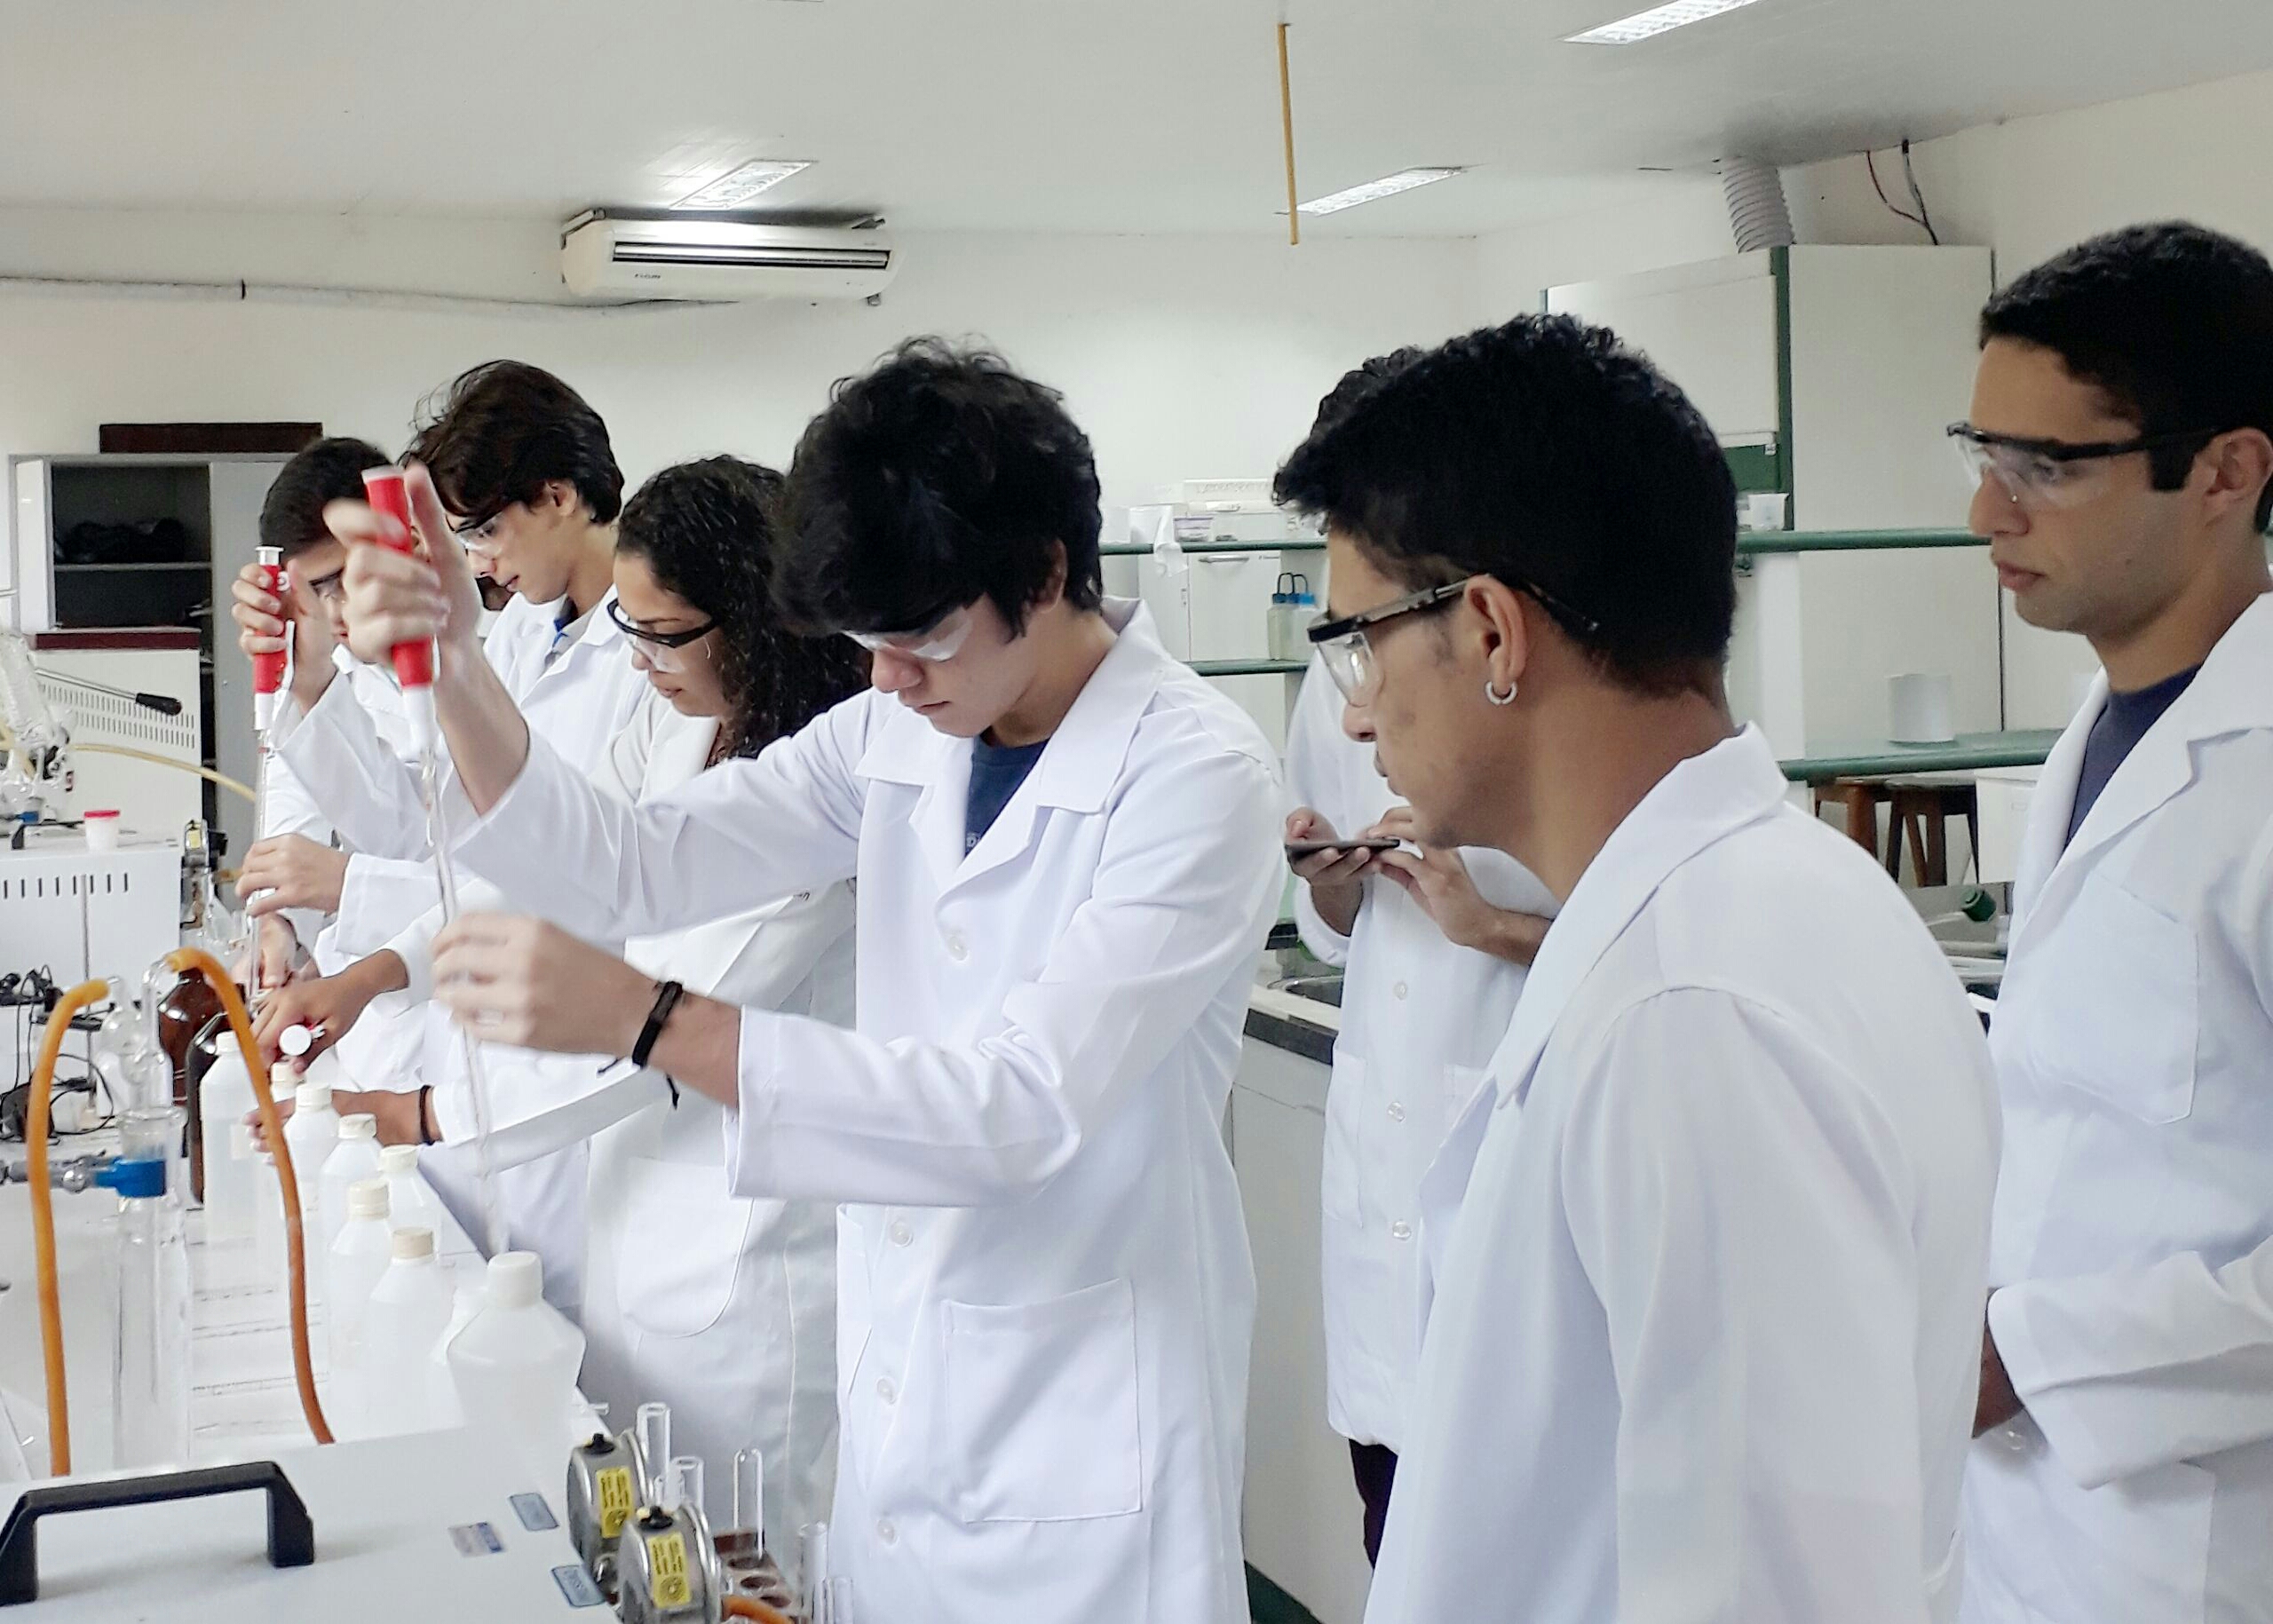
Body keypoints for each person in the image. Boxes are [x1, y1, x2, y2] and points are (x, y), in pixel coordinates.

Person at [330, 338, 1283, 1624]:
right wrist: (454, 662)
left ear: (1048, 573)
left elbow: (1016, 1110)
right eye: (865, 640)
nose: (886, 676)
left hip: (1082, 1439)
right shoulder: (902, 727)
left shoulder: (1195, 775)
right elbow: (634, 862)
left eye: (921, 635)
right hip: (904, 1403)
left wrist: (649, 1020)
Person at [1272, 315, 2000, 1624]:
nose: (1357, 711)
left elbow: (1767, 1595)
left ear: (1492, 632)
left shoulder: (1693, 1014)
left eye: (1362, 643)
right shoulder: (1763, 904)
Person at [307, 456, 867, 1549]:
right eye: (631, 629)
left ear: (761, 622)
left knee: (740, 1567)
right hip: (633, 1217)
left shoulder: (818, 783)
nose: (641, 660)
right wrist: (453, 662)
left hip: (745, 1255)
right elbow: (567, 858)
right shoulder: (678, 727)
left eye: (667, 635)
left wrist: (427, 1112)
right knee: (634, 1547)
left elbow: (654, 1023)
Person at [1951, 223, 2273, 1623]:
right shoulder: (2101, 725)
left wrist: (2030, 1358)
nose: (1988, 511)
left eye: (2047, 467)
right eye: (1982, 453)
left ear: (2227, 472)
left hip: (2207, 1549)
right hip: (2033, 1531)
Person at [234, 360, 701, 1308]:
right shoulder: (525, 635)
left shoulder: (657, 664)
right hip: (484, 1060)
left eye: (484, 529)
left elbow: (581, 881)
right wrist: (311, 675)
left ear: (559, 496)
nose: (479, 561)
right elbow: (443, 830)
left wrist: (356, 917)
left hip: (583, 1066)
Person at [1280, 358, 1557, 1567]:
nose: (1359, 716)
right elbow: (1337, 928)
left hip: (1501, 1143)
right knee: (1392, 1521)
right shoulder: (1342, 667)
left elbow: (1643, 931)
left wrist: (1483, 920)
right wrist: (1330, 874)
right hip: (1386, 1154)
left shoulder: (1551, 679)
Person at [229, 436, 434, 1102]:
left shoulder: (486, 666)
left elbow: (473, 875)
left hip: (463, 1037)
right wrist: (279, 925)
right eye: (321, 591)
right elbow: (295, 820)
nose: (343, 611)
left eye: (352, 577)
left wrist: (347, 883)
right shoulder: (324, 681)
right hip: (365, 1047)